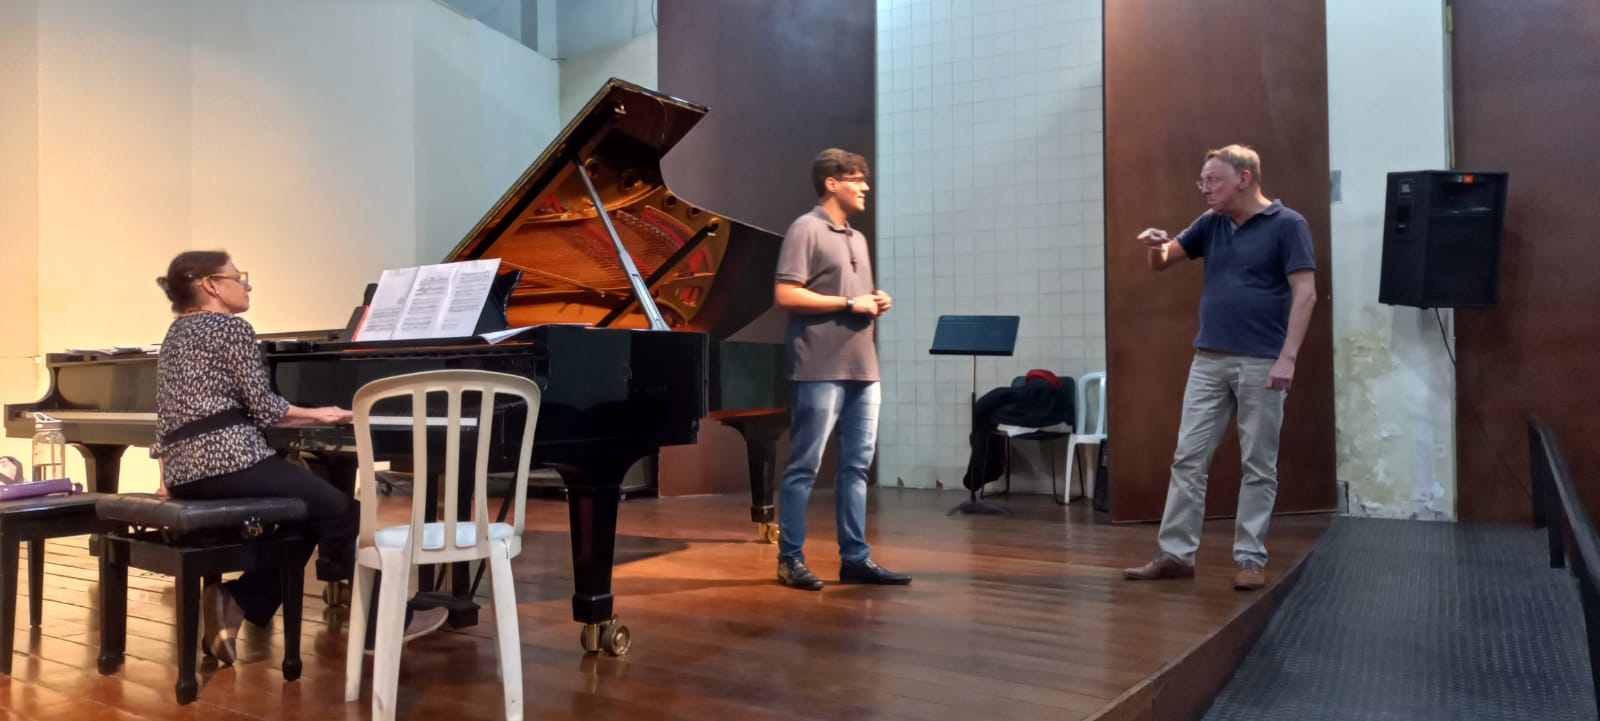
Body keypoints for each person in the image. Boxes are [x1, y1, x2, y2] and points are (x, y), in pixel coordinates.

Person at [152, 250, 447, 663]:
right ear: (210, 285)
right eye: (238, 277)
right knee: (348, 512)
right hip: (228, 462)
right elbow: (265, 409)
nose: (247, 285)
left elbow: (168, 414)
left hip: (186, 472)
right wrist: (320, 413)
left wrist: (166, 473)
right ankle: (387, 623)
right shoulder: (231, 327)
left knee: (309, 511)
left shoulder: (176, 333)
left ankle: (238, 600)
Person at [1121, 144, 1317, 591]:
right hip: (1208, 360)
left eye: (1214, 180)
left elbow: (1305, 294)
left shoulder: (1288, 224)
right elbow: (1163, 261)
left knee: (1258, 465)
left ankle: (1250, 558)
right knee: (1188, 458)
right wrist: (1154, 246)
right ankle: (1175, 554)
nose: (1205, 189)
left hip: (1262, 361)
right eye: (1203, 181)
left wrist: (1288, 357)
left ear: (1244, 178)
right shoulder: (1211, 223)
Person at [770, 148, 911, 591]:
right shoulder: (805, 229)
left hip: (864, 369)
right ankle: (790, 560)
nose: (865, 187)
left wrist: (876, 300)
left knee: (857, 467)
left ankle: (855, 559)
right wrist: (851, 302)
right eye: (857, 179)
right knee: (804, 466)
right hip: (818, 367)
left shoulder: (858, 238)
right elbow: (786, 294)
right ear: (832, 183)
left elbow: (855, 296)